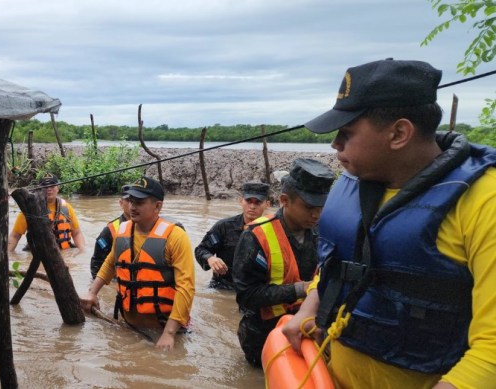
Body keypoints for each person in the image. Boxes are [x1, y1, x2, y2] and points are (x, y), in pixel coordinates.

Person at [281, 59, 496, 389]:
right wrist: (310, 306)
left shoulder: (485, 201)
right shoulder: (351, 181)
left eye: (346, 132)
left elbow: (491, 351)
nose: (335, 144)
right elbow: (338, 263)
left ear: (399, 133)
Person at [231, 158, 335, 367]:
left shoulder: (324, 230)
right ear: (284, 200)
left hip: (309, 329)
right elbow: (246, 296)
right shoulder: (255, 235)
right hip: (263, 335)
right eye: (308, 207)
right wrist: (300, 289)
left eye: (321, 206)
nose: (316, 214)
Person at [81, 176, 195, 351]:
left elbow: (186, 287)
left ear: (158, 206)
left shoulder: (176, 237)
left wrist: (169, 333)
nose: (132, 207)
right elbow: (111, 263)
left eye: (139, 202)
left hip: (165, 328)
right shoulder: (122, 230)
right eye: (131, 201)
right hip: (127, 324)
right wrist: (92, 292)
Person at [195, 182, 270, 290]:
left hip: (254, 290)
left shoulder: (273, 231)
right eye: (248, 201)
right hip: (222, 287)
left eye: (258, 202)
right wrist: (210, 258)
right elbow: (201, 249)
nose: (252, 206)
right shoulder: (224, 227)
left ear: (267, 204)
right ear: (240, 201)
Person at [8, 173, 86, 254]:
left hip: (65, 254)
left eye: (52, 185)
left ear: (58, 188)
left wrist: (82, 251)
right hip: (39, 257)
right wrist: (8, 255)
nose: (49, 189)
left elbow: (77, 233)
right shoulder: (29, 210)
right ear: (39, 189)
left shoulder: (67, 208)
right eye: (45, 186)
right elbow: (15, 236)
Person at [90, 185, 132, 278]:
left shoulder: (148, 226)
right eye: (128, 200)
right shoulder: (110, 230)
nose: (132, 204)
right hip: (117, 281)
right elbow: (97, 263)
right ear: (121, 203)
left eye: (136, 200)